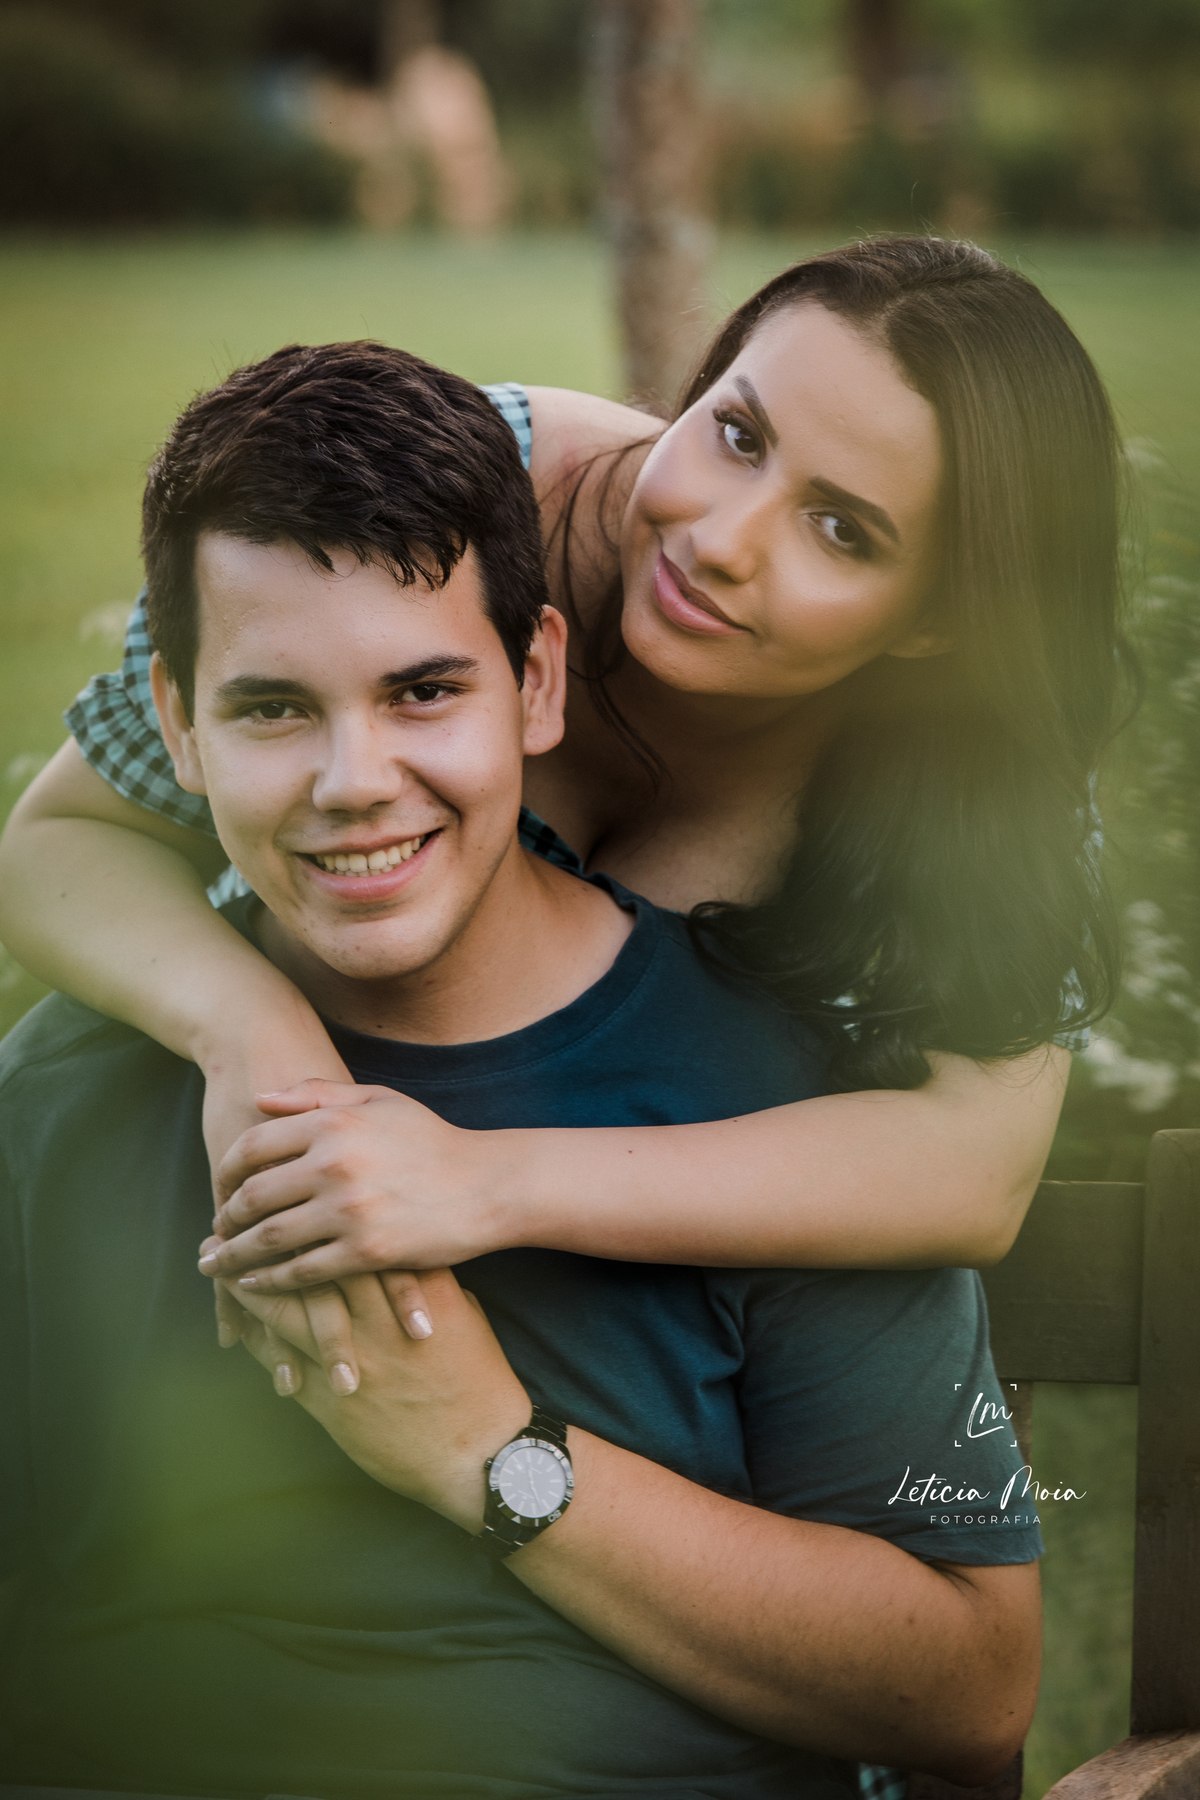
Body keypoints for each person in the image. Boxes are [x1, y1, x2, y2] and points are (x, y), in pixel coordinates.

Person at [0, 342, 1041, 1800]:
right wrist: (271, 1062)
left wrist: (492, 1456)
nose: (355, 781)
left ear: (536, 680)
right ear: (174, 725)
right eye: (273, 707)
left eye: (425, 690)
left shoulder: (795, 1113)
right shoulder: (70, 1089)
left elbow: (970, 1688)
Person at [0, 239, 1126, 1375]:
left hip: (655, 1347)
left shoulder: (986, 771)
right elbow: (62, 841)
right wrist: (261, 1045)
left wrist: (483, 1183)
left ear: (941, 618)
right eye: (739, 435)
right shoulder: (451, 505)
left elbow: (975, 1170)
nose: (719, 541)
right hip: (225, 1209)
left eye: (842, 530)